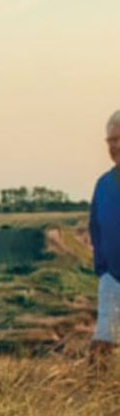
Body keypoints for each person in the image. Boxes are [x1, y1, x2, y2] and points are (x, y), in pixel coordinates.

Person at [94, 110, 120, 356]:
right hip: (112, 279)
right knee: (102, 345)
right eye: (112, 140)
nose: (117, 145)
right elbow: (96, 228)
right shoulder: (104, 184)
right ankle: (97, 394)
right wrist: (102, 270)